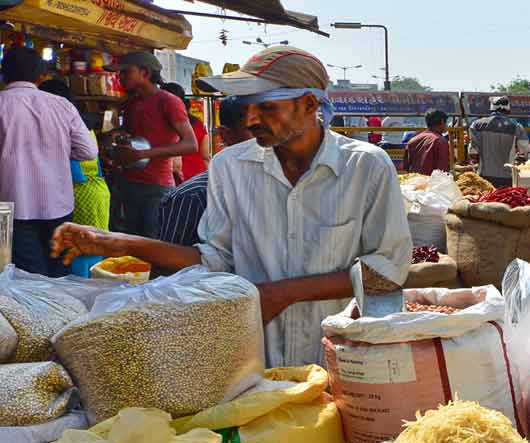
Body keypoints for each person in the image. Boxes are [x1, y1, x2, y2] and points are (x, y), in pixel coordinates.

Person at [52, 46, 411, 367]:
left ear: (309, 105)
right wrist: (120, 243)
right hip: (253, 358)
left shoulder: (366, 166)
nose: (252, 119)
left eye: (267, 107)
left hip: (343, 358)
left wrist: (286, 292)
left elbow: (387, 270)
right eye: (248, 108)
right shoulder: (230, 167)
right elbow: (215, 260)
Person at [0, 47, 98, 276]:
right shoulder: (61, 105)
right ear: (41, 76)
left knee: (21, 277)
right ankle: (65, 311)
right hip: (58, 204)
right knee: (59, 272)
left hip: (8, 206)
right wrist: (56, 153)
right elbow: (88, 151)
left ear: (4, 74)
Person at [106, 52, 198, 238]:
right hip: (129, 183)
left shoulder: (169, 101)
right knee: (132, 244)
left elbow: (191, 144)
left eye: (125, 72)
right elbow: (131, 135)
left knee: (154, 243)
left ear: (145, 73)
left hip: (156, 187)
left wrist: (143, 154)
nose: (120, 77)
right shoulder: (132, 103)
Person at [157, 97, 253, 247]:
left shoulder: (274, 188)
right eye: (255, 130)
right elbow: (168, 264)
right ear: (226, 134)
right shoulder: (190, 197)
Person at [39, 79, 111, 233]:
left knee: (78, 247)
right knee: (97, 246)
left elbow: (74, 172)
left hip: (78, 195)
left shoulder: (61, 128)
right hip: (98, 191)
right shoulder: (82, 125)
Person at [469, 96, 530, 187]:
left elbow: (472, 152)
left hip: (484, 177)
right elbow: (526, 151)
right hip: (507, 178)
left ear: (491, 109)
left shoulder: (476, 125)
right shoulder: (517, 127)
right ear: (508, 110)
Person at [162, 82, 211, 182]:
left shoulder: (164, 125)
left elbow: (174, 165)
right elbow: (205, 156)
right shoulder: (197, 123)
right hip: (198, 177)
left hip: (177, 180)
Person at [403, 109, 451, 175]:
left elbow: (406, 167)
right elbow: (442, 170)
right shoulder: (440, 141)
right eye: (446, 122)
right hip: (432, 183)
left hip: (414, 181)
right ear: (442, 121)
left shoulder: (412, 140)